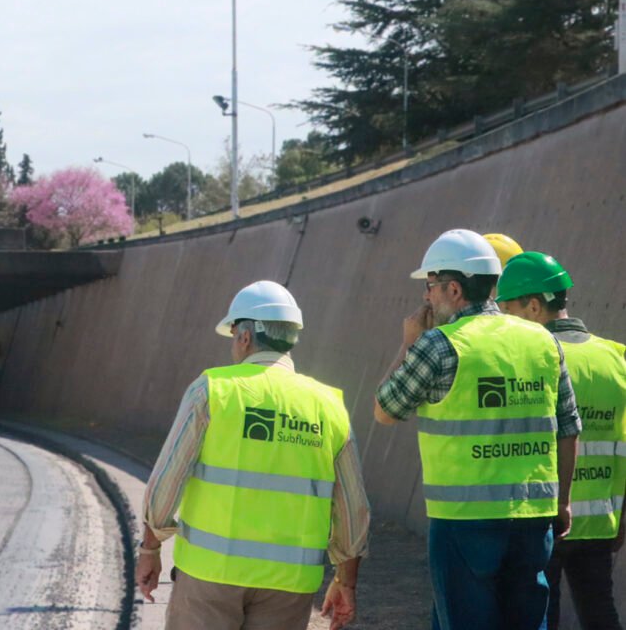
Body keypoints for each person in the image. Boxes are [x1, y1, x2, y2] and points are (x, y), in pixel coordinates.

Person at [374, 229, 581, 630]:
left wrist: (408, 345)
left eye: (431, 287)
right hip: (532, 518)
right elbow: (568, 428)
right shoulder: (542, 341)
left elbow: (385, 409)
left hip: (464, 522)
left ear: (454, 289)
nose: (426, 297)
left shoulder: (438, 345)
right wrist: (563, 501)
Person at [137, 280, 369, 630]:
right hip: (289, 585)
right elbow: (353, 508)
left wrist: (151, 548)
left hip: (210, 576)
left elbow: (168, 479)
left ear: (244, 337)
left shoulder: (213, 391)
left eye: (233, 335)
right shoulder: (328, 404)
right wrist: (345, 581)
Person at [497, 252, 626, 630]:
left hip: (542, 518)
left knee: (540, 616)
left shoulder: (530, 359)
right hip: (602, 523)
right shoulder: (617, 359)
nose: (504, 322)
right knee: (600, 611)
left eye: (508, 311)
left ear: (533, 306)